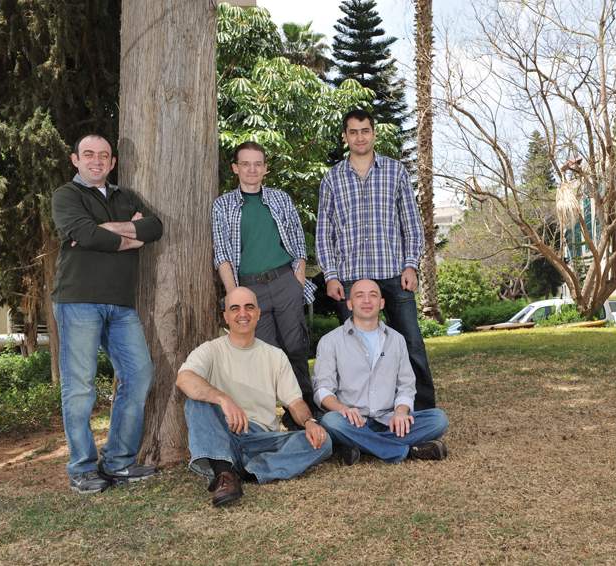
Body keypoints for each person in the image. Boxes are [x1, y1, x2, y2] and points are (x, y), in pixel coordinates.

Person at [51, 133, 163, 494]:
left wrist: (103, 232)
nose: (96, 160)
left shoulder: (124, 196)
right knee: (80, 387)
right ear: (75, 160)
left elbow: (154, 228)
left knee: (139, 374)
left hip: (121, 303)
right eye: (88, 155)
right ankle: (82, 468)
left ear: (112, 162)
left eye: (103, 155)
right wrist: (129, 236)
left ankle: (118, 462)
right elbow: (83, 233)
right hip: (78, 300)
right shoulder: (67, 196)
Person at [316, 108, 436, 410]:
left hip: (394, 274)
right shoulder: (332, 179)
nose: (359, 137)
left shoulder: (395, 172)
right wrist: (330, 275)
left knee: (410, 344)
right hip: (350, 278)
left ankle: (420, 414)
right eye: (353, 132)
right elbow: (324, 233)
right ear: (345, 136)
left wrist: (411, 265)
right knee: (352, 351)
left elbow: (411, 224)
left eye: (365, 130)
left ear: (374, 134)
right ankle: (356, 416)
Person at [176, 287, 331, 507]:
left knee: (324, 442)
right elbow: (184, 379)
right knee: (196, 402)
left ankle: (248, 471)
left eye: (249, 307)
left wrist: (309, 422)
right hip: (224, 434)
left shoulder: (275, 356)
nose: (243, 313)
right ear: (226, 316)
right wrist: (223, 399)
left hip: (262, 440)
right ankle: (225, 473)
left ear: (258, 313)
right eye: (235, 308)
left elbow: (295, 401)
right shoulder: (210, 350)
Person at [211, 141, 318, 427]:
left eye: (257, 163)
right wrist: (234, 294)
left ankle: (306, 417)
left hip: (284, 281)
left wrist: (297, 280)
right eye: (245, 164)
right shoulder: (223, 205)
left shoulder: (280, 199)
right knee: (267, 354)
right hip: (250, 289)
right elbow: (222, 254)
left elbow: (297, 241)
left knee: (295, 348)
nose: (252, 169)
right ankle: (267, 419)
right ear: (235, 168)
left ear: (265, 168)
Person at [314, 279, 448, 465]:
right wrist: (343, 409)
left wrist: (401, 412)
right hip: (352, 421)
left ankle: (360, 445)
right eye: (359, 296)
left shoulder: (397, 340)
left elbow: (406, 385)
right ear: (350, 304)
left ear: (382, 303)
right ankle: (405, 450)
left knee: (438, 419)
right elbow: (322, 390)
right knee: (332, 422)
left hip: (389, 420)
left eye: (373, 295)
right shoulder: (330, 341)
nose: (367, 300)